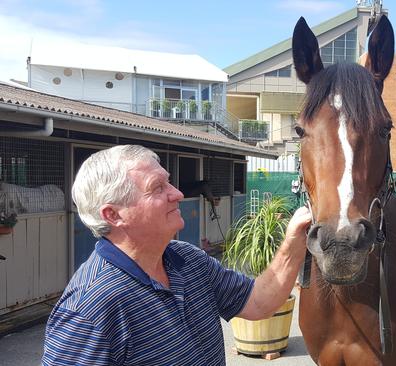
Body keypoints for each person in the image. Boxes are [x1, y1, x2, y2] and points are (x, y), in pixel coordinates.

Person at [42, 145, 312, 365]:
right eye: (157, 188)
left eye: (168, 183)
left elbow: (258, 303)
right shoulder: (90, 308)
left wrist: (295, 238)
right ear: (113, 214)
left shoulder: (187, 260)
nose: (178, 194)